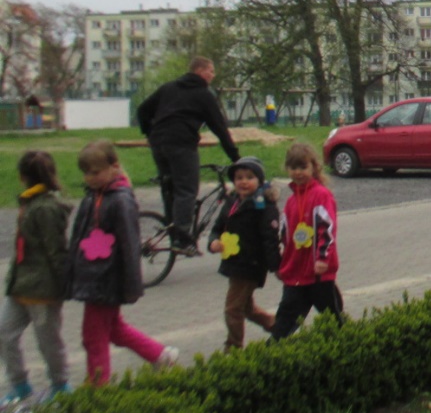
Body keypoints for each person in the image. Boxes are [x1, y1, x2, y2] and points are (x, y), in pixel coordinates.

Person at [65, 141, 177, 385]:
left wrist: (132, 284)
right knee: (113, 329)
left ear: (114, 166)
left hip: (106, 279)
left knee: (93, 337)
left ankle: (99, 388)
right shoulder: (93, 195)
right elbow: (78, 237)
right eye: (85, 173)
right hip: (94, 277)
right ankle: (160, 355)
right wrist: (71, 270)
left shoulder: (120, 201)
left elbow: (129, 245)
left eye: (95, 172)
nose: (89, 178)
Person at [136, 56, 239, 250]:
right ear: (200, 71)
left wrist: (150, 132)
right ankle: (183, 239)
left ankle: (172, 231)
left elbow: (142, 110)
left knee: (169, 187)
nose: (213, 75)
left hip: (158, 144)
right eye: (211, 71)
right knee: (186, 189)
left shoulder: (168, 88)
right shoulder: (203, 94)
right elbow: (219, 128)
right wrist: (235, 157)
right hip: (181, 144)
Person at [2, 151, 71, 403]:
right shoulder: (29, 203)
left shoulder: (46, 208)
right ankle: (20, 386)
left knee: (48, 342)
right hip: (21, 287)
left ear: (22, 177)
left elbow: (57, 251)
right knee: (5, 333)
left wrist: (64, 286)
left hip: (43, 290)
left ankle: (60, 386)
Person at [271, 143, 344, 338]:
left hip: (317, 271)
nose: (298, 172)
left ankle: (347, 343)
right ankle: (274, 347)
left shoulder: (321, 195)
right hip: (295, 271)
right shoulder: (291, 201)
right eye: (293, 168)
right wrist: (282, 262)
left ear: (314, 167)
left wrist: (322, 258)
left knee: (332, 317)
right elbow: (286, 236)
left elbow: (326, 228)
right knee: (286, 317)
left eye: (303, 167)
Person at [207, 157, 281, 351]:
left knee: (232, 309)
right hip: (233, 262)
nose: (243, 182)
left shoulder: (264, 206)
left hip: (250, 265)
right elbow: (217, 228)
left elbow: (270, 238)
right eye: (239, 178)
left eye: (249, 177)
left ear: (259, 180)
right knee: (246, 308)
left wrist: (276, 266)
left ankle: (233, 348)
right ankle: (277, 326)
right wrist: (213, 242)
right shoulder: (232, 201)